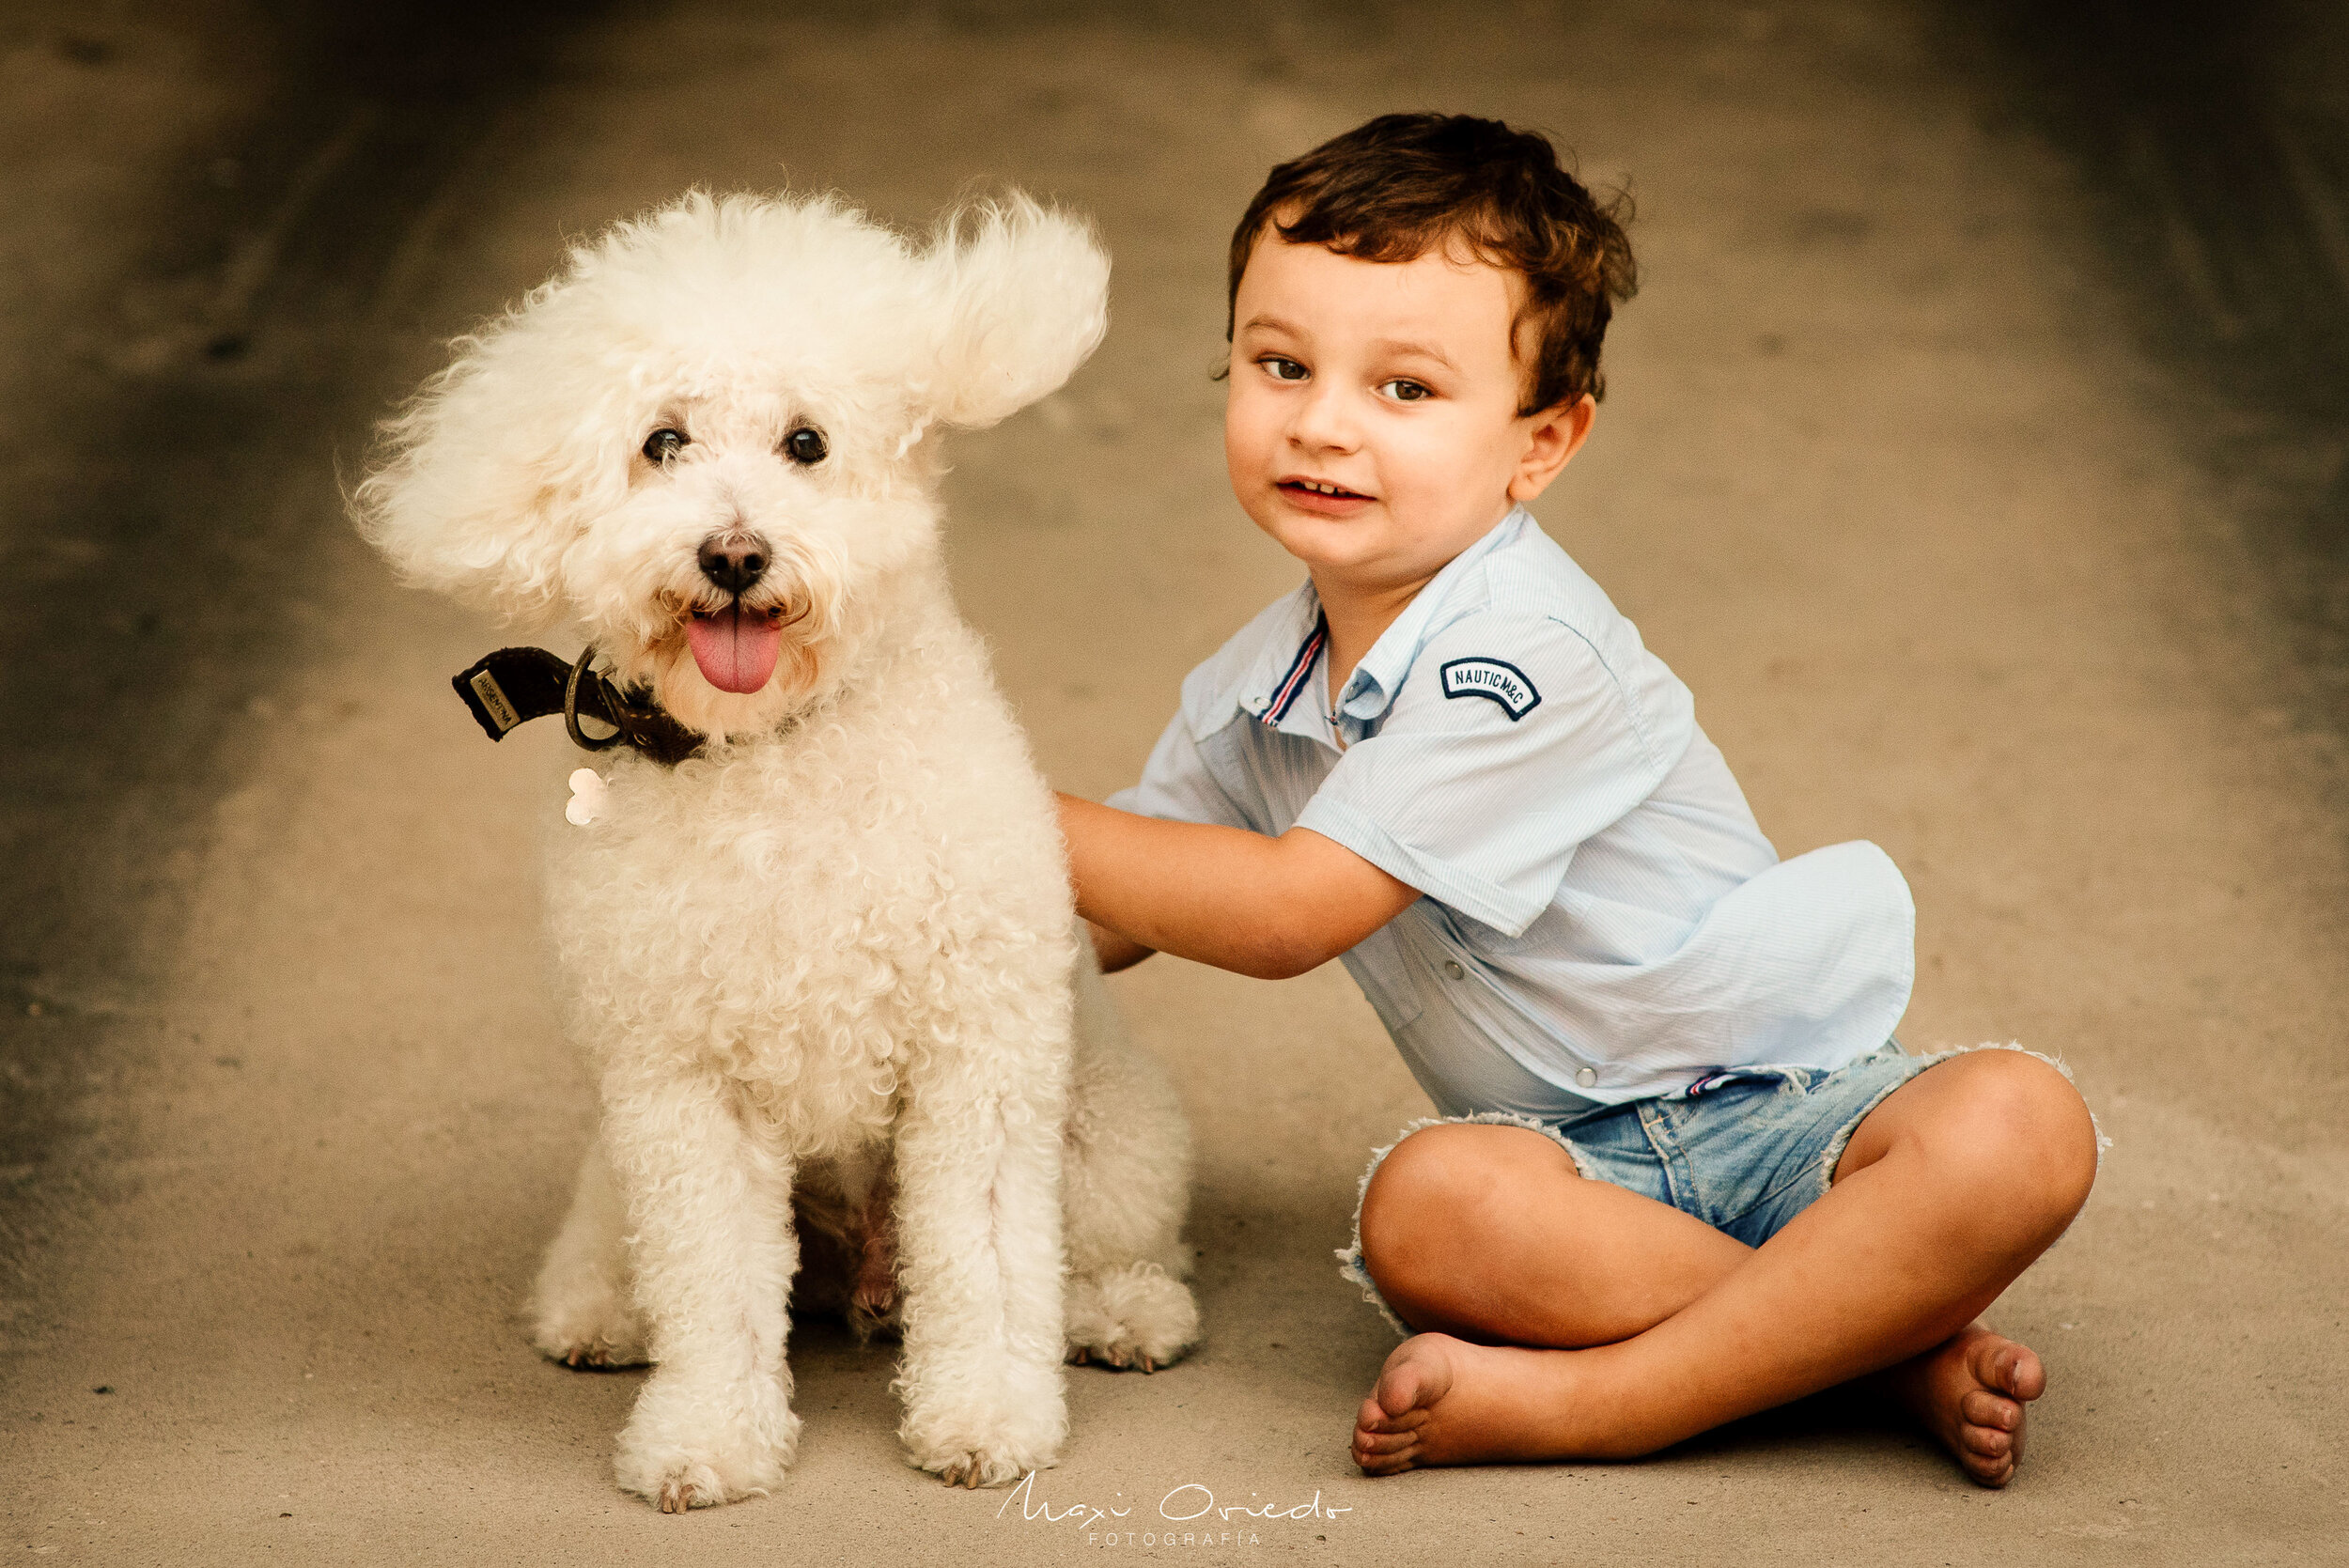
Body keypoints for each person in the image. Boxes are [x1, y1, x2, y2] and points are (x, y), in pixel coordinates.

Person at [1053, 112, 2101, 1487]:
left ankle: (1606, 1404)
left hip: (1789, 1109)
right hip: (1563, 1169)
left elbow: (1286, 913)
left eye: (1405, 390)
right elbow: (1120, 904)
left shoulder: (1526, 652)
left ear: (1542, 441)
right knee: (1422, 1207)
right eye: (1280, 363)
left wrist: (961, 795)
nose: (1321, 420)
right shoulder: (1256, 689)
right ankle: (1879, 1344)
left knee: (2021, 1121)